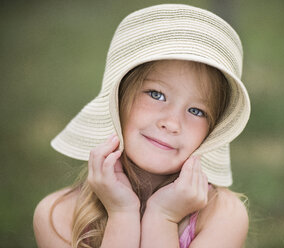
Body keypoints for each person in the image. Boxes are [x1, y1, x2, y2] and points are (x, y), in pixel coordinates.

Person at [33, 4, 251, 248]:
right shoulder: (58, 216)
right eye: (156, 95)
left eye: (196, 111)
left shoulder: (223, 216)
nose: (171, 123)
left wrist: (163, 217)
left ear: (213, 130)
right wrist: (122, 213)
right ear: (118, 99)